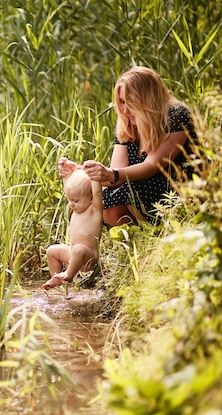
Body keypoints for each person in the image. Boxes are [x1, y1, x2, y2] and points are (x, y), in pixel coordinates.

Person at [60, 65, 198, 226]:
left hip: (180, 187)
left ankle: (158, 232)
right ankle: (136, 238)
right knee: (108, 199)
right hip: (143, 188)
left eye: (131, 102)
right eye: (122, 102)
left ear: (148, 100)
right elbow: (114, 176)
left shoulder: (176, 115)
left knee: (131, 193)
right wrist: (80, 172)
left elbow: (153, 166)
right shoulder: (128, 125)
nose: (125, 110)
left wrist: (110, 174)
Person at [42, 157, 103, 291]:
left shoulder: (94, 210)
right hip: (72, 254)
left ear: (91, 198)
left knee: (78, 249)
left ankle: (69, 274)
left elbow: (97, 192)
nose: (71, 204)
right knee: (52, 250)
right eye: (70, 200)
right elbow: (70, 190)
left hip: (87, 257)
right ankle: (55, 278)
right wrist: (66, 172)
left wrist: (95, 178)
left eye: (75, 200)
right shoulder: (77, 207)